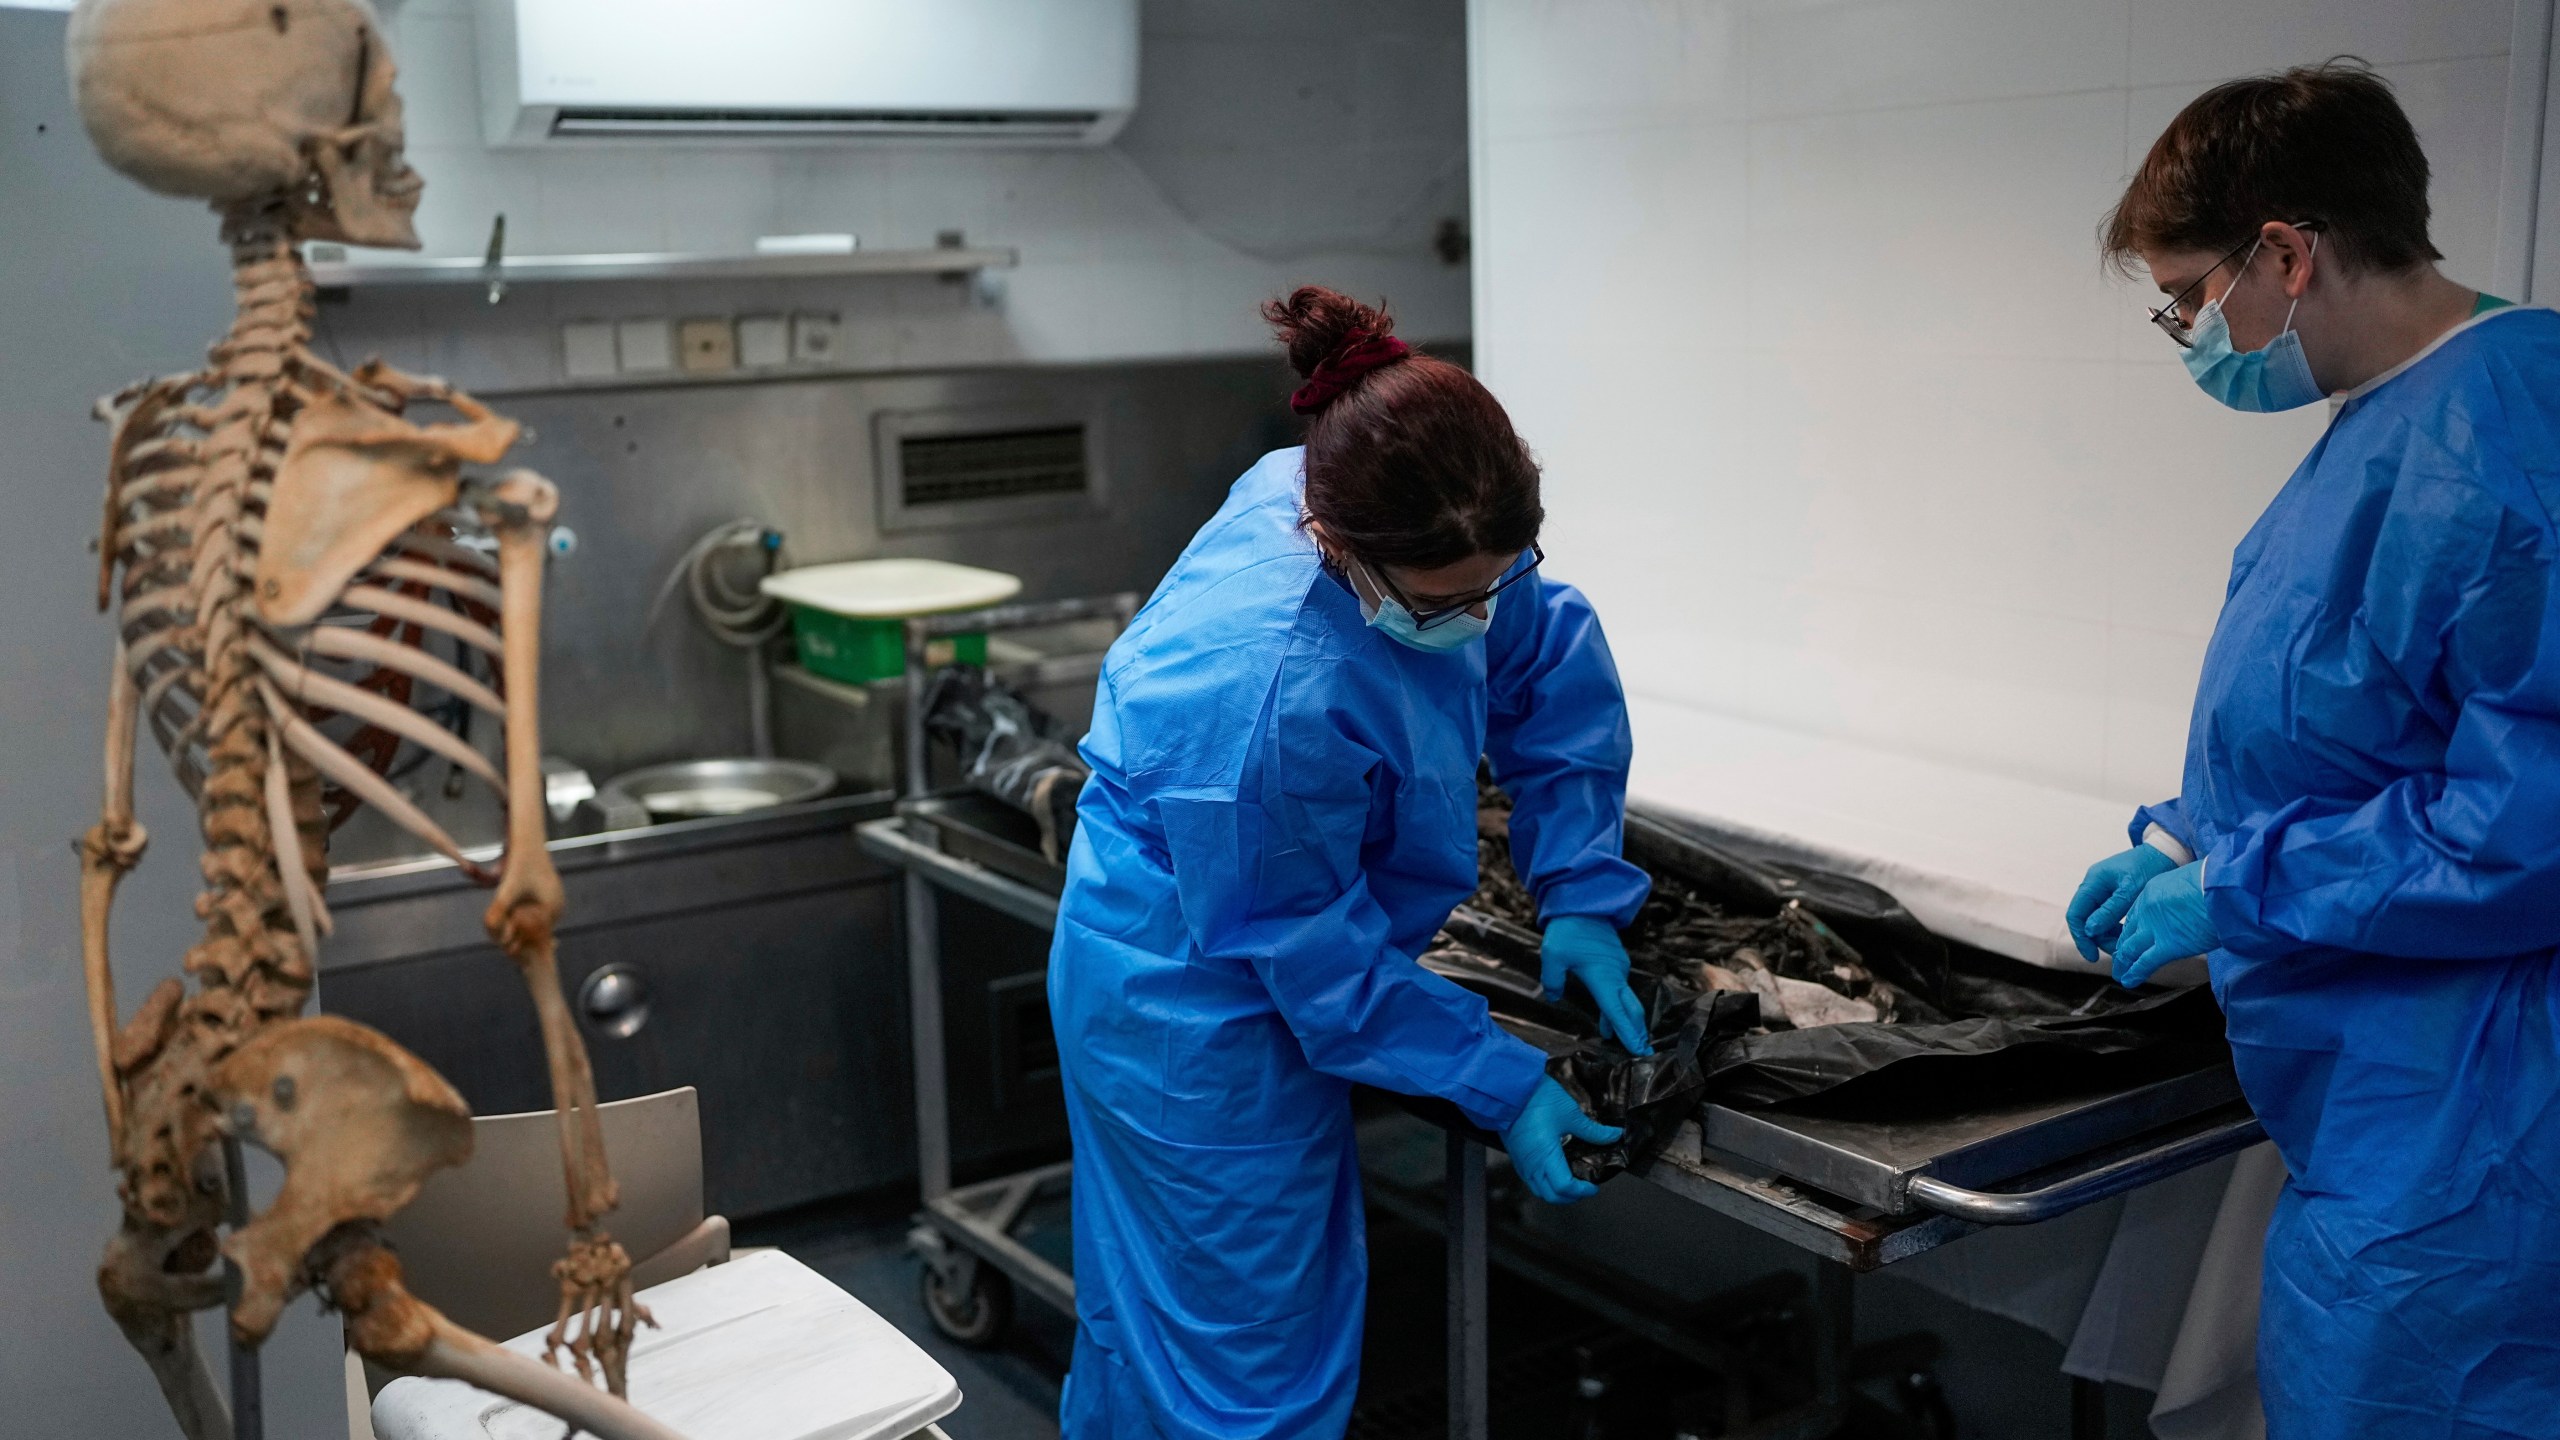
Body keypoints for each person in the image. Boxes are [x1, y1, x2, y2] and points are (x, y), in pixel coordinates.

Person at [1047, 286, 1653, 1438]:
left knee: (1171, 1329)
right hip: (1185, 1000)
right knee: (1237, 1365)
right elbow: (1309, 953)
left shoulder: (1415, 517)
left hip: (1276, 910)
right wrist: (1497, 1075)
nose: (1475, 618)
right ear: (1335, 546)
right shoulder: (1264, 691)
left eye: (1496, 579)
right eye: (1443, 602)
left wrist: (1580, 885)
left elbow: (1547, 667)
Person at [2063, 62, 2560, 1436]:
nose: (2188, 335)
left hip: (2480, 1133)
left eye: (2185, 298)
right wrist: (2188, 830)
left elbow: (2526, 825)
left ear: (2286, 251)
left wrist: (2241, 888)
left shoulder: (2515, 439)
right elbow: (2345, 706)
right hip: (2386, 1095)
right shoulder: (2393, 422)